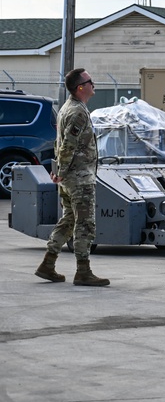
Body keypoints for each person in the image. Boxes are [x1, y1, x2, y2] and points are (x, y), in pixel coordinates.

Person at [34, 68, 110, 287]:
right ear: (80, 87)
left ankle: (48, 264)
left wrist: (59, 172)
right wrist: (62, 172)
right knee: (85, 225)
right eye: (90, 81)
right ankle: (83, 271)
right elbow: (67, 145)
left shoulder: (69, 108)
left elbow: (60, 145)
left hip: (70, 178)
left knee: (68, 221)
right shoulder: (77, 112)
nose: (93, 84)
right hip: (79, 179)